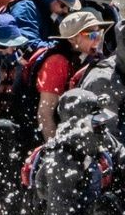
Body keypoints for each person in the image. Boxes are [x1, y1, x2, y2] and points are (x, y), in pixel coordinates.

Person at [27, 11, 109, 142]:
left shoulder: (90, 57)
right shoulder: (56, 62)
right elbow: (45, 115)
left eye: (100, 33)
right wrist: (55, 149)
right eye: (92, 34)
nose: (98, 39)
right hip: (49, 132)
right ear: (72, 39)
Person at [6, 0, 80, 53]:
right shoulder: (26, 9)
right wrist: (60, 47)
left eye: (69, 7)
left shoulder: (48, 10)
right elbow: (27, 45)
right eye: (63, 5)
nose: (66, 11)